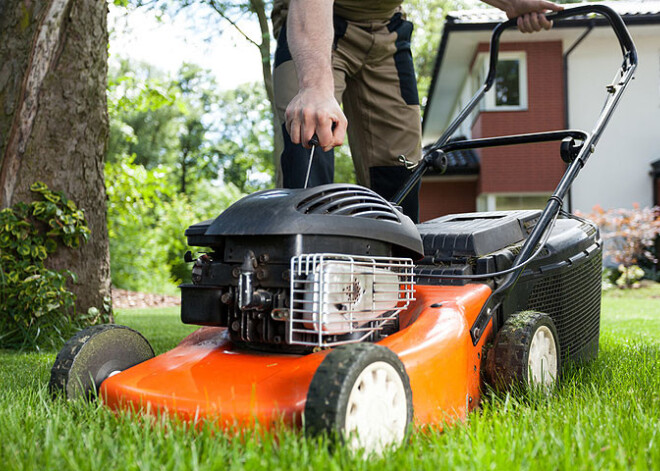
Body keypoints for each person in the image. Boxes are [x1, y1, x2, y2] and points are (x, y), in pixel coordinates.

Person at [272, 0, 563, 223]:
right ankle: (298, 283)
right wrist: (314, 86)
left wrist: (513, 5)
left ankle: (396, 285)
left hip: (386, 29)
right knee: (310, 141)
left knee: (400, 175)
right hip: (314, 23)